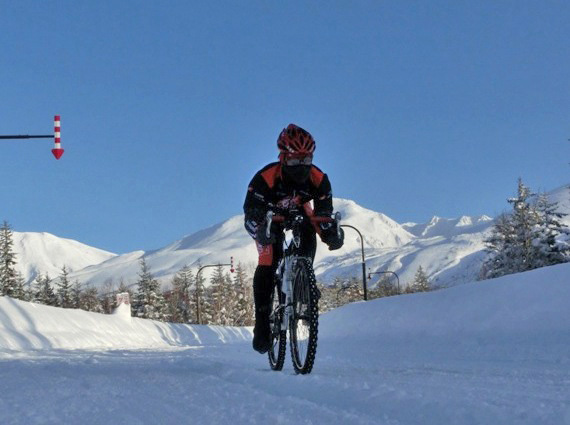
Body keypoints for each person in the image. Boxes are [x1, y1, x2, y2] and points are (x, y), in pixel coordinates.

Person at [243, 124, 344, 353]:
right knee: (268, 259)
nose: (301, 168)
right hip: (268, 217)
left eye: (306, 161)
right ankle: (262, 323)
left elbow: (323, 216)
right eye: (294, 162)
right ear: (282, 158)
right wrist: (261, 230)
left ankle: (303, 282)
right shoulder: (264, 179)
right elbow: (250, 214)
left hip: (300, 213)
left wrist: (332, 234)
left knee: (309, 230)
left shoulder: (319, 180)